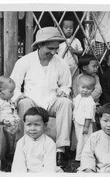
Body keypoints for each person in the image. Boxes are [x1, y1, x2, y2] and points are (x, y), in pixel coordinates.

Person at [10, 27, 73, 167]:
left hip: (51, 101)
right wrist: (19, 97)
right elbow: (14, 86)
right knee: (23, 103)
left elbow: (66, 85)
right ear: (39, 45)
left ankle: (60, 150)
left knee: (66, 103)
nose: (53, 52)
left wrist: (63, 91)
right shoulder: (25, 61)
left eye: (56, 48)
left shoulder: (60, 62)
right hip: (32, 101)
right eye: (50, 48)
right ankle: (22, 146)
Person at [77, 103, 110, 173]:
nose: (109, 125)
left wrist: (109, 173)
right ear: (100, 120)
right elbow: (87, 155)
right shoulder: (94, 136)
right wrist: (90, 171)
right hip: (94, 169)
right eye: (105, 121)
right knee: (81, 173)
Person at [11, 107, 58, 173]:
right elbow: (18, 165)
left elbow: (49, 166)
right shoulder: (21, 142)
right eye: (29, 125)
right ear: (24, 124)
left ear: (45, 125)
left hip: (43, 175)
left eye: (37, 125)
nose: (32, 128)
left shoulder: (49, 143)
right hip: (26, 175)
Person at [0, 76, 20, 171]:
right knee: (3, 147)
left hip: (11, 129)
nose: (13, 93)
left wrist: (18, 99)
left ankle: (10, 161)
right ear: (1, 91)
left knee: (12, 146)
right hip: (2, 130)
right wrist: (2, 121)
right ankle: (1, 164)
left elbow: (13, 108)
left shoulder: (9, 101)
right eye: (11, 91)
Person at [73, 74, 96, 161]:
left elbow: (89, 115)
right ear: (78, 87)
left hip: (84, 124)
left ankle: (83, 156)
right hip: (77, 122)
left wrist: (86, 126)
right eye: (83, 87)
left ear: (93, 90)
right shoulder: (78, 97)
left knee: (84, 140)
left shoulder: (89, 101)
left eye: (88, 89)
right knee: (79, 139)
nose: (85, 90)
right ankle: (78, 153)